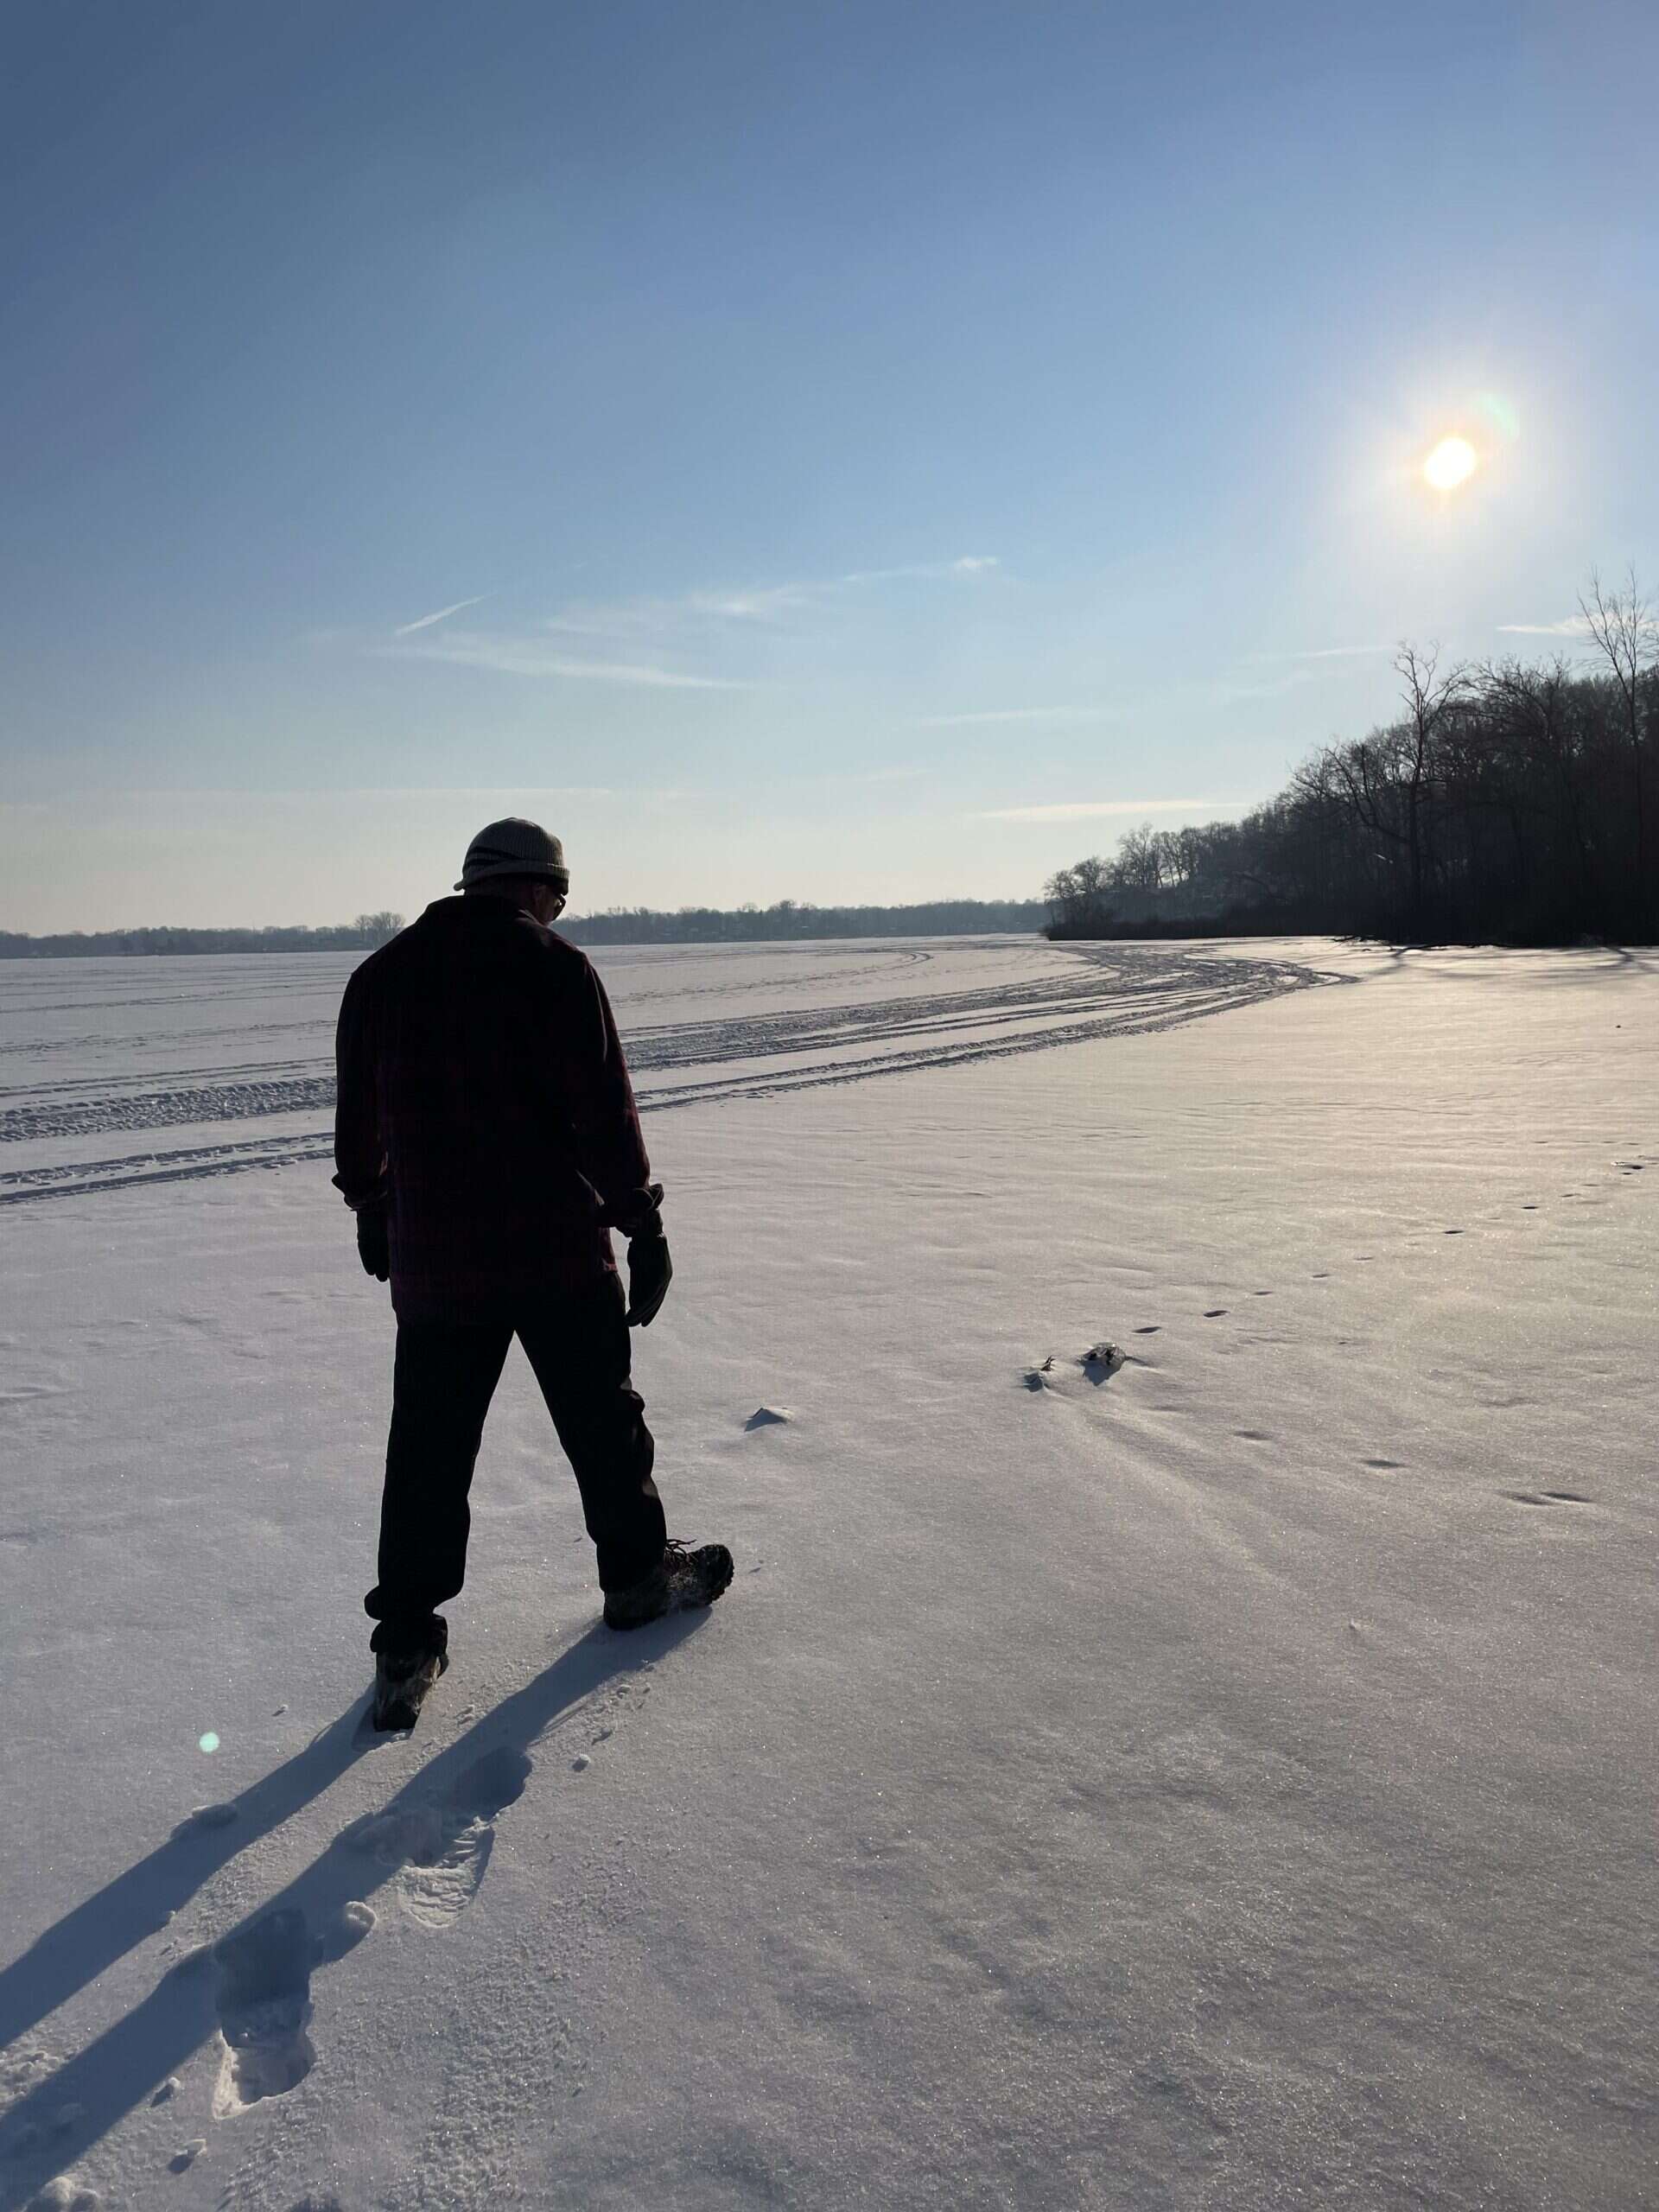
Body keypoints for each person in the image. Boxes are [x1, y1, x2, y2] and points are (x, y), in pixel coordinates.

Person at [333, 817, 732, 1728]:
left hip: (435, 1263)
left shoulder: (380, 978)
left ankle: (405, 1645)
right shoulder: (557, 970)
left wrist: (371, 1206)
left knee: (427, 1451)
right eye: (558, 893)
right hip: (555, 1252)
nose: (557, 910)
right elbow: (604, 1114)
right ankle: (635, 1579)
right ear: (536, 886)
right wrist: (643, 1223)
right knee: (603, 1424)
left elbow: (359, 1120)